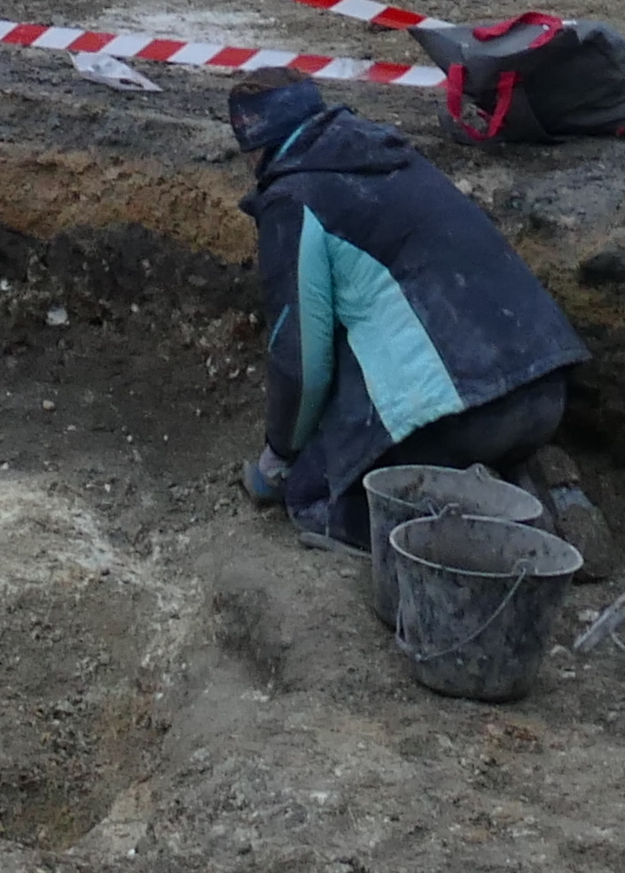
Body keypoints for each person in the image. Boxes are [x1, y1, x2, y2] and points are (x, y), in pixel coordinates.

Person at [232, 74, 591, 552]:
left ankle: (496, 533)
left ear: (254, 150)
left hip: (463, 415)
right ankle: (530, 480)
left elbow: (301, 361)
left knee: (316, 497)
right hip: (546, 387)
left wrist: (279, 456)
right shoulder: (392, 154)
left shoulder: (293, 200)